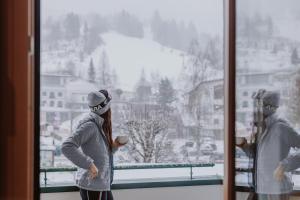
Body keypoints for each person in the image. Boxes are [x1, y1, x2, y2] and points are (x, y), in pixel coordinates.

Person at [62, 90, 125, 200]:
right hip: (93, 185)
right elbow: (67, 146)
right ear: (106, 108)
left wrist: (115, 146)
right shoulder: (90, 126)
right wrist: (89, 165)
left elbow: (100, 154)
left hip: (102, 183)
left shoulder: (99, 125)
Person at [237, 91, 300, 200]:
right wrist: (243, 144)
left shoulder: (281, 128)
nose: (254, 111)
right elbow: (258, 156)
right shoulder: (263, 129)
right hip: (260, 187)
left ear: (269, 108)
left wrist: (285, 165)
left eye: (258, 106)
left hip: (275, 191)